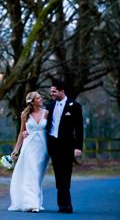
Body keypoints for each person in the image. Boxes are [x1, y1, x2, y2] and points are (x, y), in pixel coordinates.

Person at [46, 79, 84, 214]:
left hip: (68, 147)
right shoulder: (49, 106)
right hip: (53, 146)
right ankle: (62, 205)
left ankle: (66, 205)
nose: (52, 94)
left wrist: (78, 146)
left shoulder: (74, 105)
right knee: (58, 176)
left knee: (66, 175)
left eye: (54, 91)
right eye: (51, 92)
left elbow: (79, 127)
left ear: (62, 91)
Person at [8, 91, 50, 213]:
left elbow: (51, 129)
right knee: (31, 174)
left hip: (43, 148)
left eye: (40, 97)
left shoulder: (46, 113)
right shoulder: (25, 115)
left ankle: (36, 201)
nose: (41, 99)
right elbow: (21, 133)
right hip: (29, 147)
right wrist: (16, 151)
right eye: (38, 98)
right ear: (32, 102)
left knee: (37, 176)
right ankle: (32, 204)